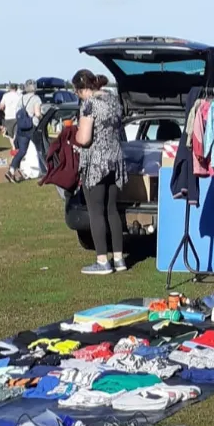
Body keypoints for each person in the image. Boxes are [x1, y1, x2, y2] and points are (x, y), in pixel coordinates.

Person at [72, 69, 126, 275]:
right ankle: (119, 259)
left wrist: (75, 132)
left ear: (81, 89)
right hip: (115, 159)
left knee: (96, 211)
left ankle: (102, 261)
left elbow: (84, 139)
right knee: (112, 210)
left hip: (95, 162)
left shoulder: (89, 104)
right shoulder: (113, 100)